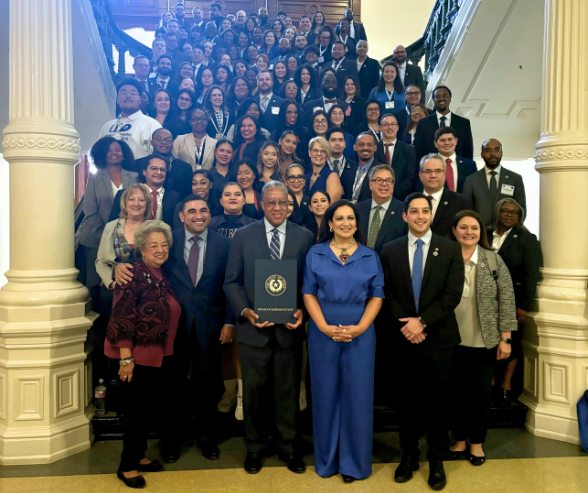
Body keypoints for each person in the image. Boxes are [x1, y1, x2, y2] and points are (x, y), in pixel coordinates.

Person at [224, 181, 314, 474]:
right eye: (271, 202)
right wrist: (246, 311)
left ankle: (289, 447)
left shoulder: (305, 237)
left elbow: (309, 284)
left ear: (290, 204)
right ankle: (255, 447)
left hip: (289, 329)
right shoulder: (242, 236)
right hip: (254, 331)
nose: (277, 208)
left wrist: (303, 310)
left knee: (288, 391)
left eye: (282, 202)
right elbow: (232, 281)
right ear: (262, 205)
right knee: (254, 393)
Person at [380, 192, 464, 490]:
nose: (419, 216)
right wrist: (408, 323)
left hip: (437, 337)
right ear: (405, 216)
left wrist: (423, 322)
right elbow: (386, 292)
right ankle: (409, 454)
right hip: (402, 338)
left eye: (424, 211)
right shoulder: (389, 250)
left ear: (431, 215)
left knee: (438, 403)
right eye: (413, 211)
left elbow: (452, 295)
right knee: (406, 402)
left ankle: (437, 459)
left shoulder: (450, 249)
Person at [302, 199, 383, 482]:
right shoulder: (316, 253)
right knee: (325, 397)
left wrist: (360, 327)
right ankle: (327, 460)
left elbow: (377, 296)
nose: (346, 223)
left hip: (360, 334)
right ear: (330, 223)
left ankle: (354, 464)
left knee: (358, 398)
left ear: (357, 223)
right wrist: (322, 326)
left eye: (351, 218)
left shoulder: (370, 255)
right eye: (340, 218)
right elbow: (308, 293)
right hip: (323, 333)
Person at [105, 220, 178, 489]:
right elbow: (122, 317)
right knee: (135, 413)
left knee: (145, 411)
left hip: (156, 356)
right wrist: (126, 359)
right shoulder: (132, 274)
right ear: (142, 250)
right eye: (153, 245)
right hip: (132, 358)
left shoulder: (160, 274)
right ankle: (127, 466)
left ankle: (139, 454)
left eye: (164, 245)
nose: (160, 249)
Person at [160, 194, 234, 463]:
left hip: (211, 327)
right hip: (173, 329)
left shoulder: (225, 245)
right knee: (172, 388)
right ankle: (171, 443)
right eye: (192, 211)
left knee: (209, 387)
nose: (198, 215)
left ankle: (207, 440)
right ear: (181, 216)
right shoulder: (167, 242)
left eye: (203, 210)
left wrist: (229, 321)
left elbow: (231, 285)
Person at [446, 210, 517, 466]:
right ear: (454, 230)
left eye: (474, 228)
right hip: (450, 339)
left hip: (484, 339)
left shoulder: (493, 260)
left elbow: (507, 300)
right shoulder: (444, 256)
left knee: (479, 395)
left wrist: (505, 339)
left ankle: (476, 442)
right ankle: (459, 439)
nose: (469, 232)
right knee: (455, 394)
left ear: (481, 232)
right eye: (463, 227)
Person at [488, 199, 542, 405]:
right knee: (489, 342)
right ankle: (490, 382)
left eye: (514, 213)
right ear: (497, 212)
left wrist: (524, 306)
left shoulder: (527, 239)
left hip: (514, 301)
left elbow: (531, 274)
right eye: (505, 211)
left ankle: (506, 385)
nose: (509, 215)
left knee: (512, 343)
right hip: (487, 299)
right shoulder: (485, 233)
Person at [80, 138, 137, 289]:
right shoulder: (94, 177)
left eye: (117, 150)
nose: (114, 153)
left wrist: (119, 236)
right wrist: (106, 236)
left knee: (123, 281)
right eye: (109, 150)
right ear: (102, 155)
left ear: (124, 154)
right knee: (95, 282)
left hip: (126, 238)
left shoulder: (135, 177)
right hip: (95, 237)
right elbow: (89, 210)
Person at [95, 184, 152, 312]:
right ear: (125, 203)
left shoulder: (155, 228)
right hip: (116, 290)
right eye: (131, 199)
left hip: (147, 291)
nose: (136, 204)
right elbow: (101, 261)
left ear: (147, 204)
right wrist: (113, 283)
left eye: (141, 200)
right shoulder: (111, 227)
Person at [463, 138, 526, 226]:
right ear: (482, 154)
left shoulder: (515, 179)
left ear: (501, 153)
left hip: (506, 233)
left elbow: (521, 209)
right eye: (488, 151)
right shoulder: (471, 180)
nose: (493, 154)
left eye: (496, 150)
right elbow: (466, 210)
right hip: (480, 233)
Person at [110, 155, 181, 228]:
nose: (159, 172)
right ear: (144, 171)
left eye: (162, 169)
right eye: (154, 168)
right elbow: (113, 225)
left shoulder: (175, 197)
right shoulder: (125, 194)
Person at [100, 79, 162, 160]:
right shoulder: (107, 126)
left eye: (133, 93)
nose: (128, 96)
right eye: (123, 92)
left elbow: (159, 158)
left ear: (140, 99)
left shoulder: (152, 125)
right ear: (117, 99)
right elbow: (98, 153)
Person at [418, 153, 473, 238]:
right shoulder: (412, 200)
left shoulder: (461, 202)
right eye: (428, 171)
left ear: (444, 174)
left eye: (438, 171)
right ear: (420, 175)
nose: (433, 175)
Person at [414, 85, 474, 161]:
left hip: (457, 169)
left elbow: (468, 151)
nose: (441, 98)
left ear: (450, 99)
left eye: (444, 96)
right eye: (437, 96)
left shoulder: (463, 123)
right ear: (433, 100)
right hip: (431, 169)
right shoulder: (423, 123)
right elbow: (418, 151)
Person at [357, 164, 406, 254]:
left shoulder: (404, 211)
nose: (384, 184)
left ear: (393, 184)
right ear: (370, 184)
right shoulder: (358, 209)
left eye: (388, 180)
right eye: (379, 180)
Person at [134, 129, 193, 199]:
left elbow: (188, 194)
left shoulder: (185, 168)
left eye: (168, 140)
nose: (164, 142)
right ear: (152, 142)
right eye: (160, 139)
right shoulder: (137, 164)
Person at [374, 113, 417, 201]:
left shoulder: (408, 150)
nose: (390, 127)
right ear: (380, 128)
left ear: (397, 127)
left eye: (393, 124)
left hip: (400, 198)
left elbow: (410, 177)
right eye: (386, 124)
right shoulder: (374, 149)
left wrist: (393, 191)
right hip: (376, 196)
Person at [431, 127, 477, 193]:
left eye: (450, 139)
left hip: (463, 203)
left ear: (456, 141)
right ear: (435, 143)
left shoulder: (470, 165)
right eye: (442, 140)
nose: (447, 143)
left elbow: (474, 190)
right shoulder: (428, 164)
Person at [341, 132, 381, 202]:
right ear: (355, 147)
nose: (365, 148)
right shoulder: (348, 174)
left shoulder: (382, 172)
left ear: (375, 147)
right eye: (361, 145)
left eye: (369, 145)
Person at [306, 137, 343, 202]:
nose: (319, 154)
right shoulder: (306, 176)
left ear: (327, 154)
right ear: (309, 152)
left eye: (323, 151)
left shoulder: (332, 176)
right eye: (315, 150)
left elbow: (332, 206)